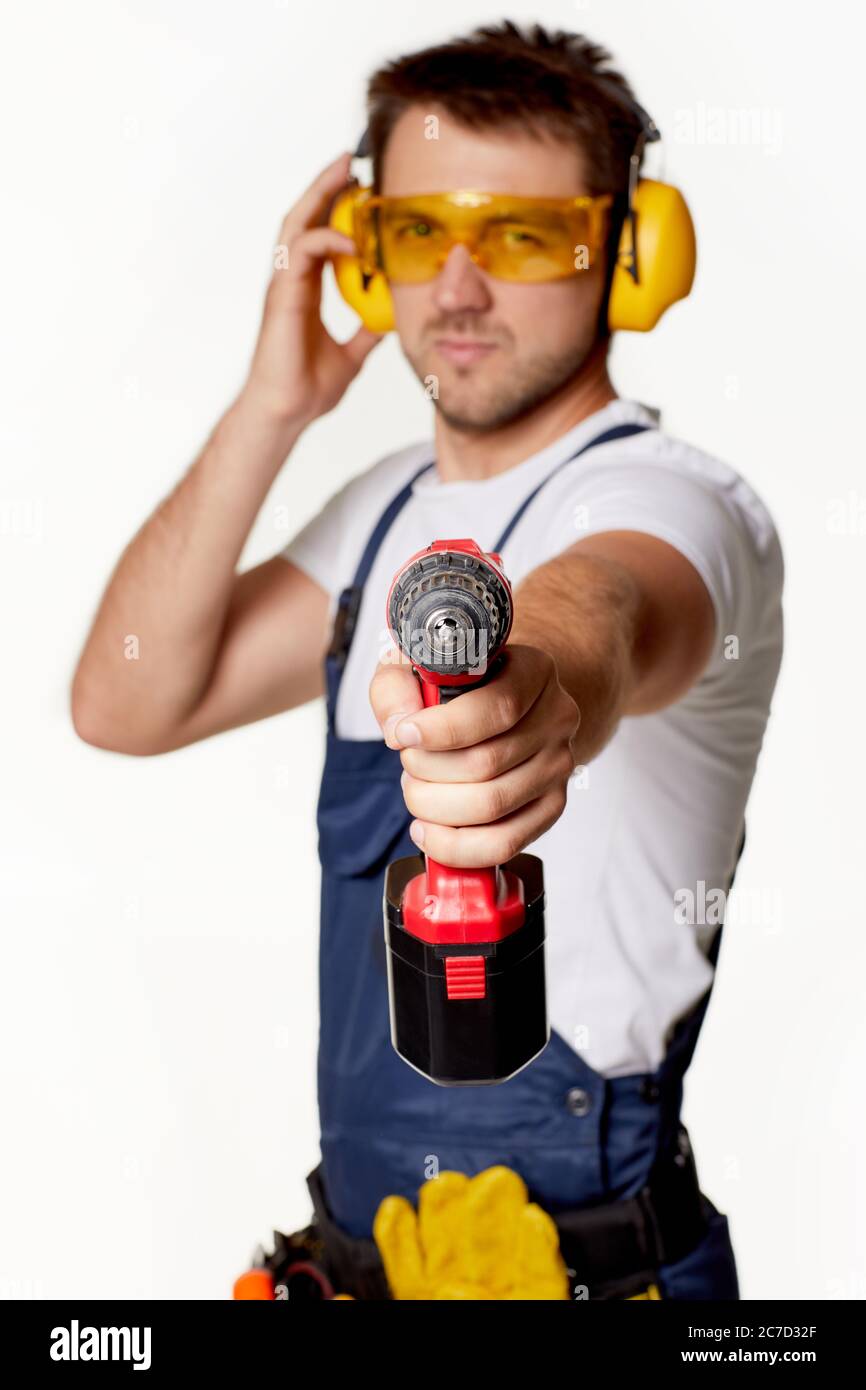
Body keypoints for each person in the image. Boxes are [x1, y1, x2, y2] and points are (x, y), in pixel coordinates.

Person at [71, 21, 783, 1300]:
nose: (455, 289)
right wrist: (268, 407)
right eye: (415, 235)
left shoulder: (681, 506)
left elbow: (602, 609)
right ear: (365, 257)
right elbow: (125, 697)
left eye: (519, 235)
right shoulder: (383, 512)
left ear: (628, 254)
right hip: (367, 1263)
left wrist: (531, 699)